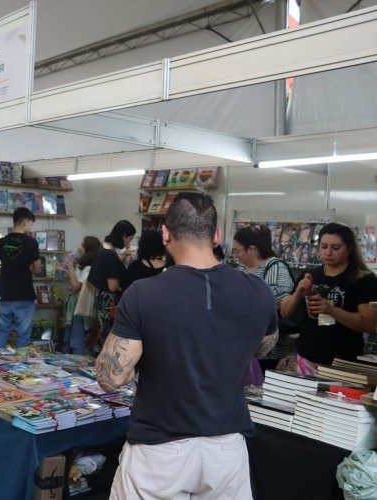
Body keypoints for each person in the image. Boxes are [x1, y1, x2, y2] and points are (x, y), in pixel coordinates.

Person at [96, 193, 279, 499]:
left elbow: (110, 377)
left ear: (165, 234)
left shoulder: (143, 293)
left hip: (159, 451)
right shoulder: (258, 291)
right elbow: (263, 347)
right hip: (226, 451)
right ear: (217, 236)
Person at [280, 222, 377, 370]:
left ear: (349, 248)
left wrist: (332, 311)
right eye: (324, 247)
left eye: (336, 248)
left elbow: (369, 324)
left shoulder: (364, 280)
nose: (328, 253)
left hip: (343, 362)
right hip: (307, 358)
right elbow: (285, 312)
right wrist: (298, 294)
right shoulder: (310, 275)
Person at [233, 224, 295, 369]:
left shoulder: (275, 267)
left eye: (238, 251)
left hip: (267, 348)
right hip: (242, 345)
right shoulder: (240, 269)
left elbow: (281, 302)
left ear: (252, 249)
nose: (235, 255)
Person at [0, 207, 41, 349]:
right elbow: (37, 268)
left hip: (4, 293)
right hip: (24, 294)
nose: (31, 227)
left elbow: (1, 264)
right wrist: (29, 267)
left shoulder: (1, 242)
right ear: (25, 222)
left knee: (1, 332)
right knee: (23, 334)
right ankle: (21, 366)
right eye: (31, 223)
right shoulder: (32, 243)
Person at [87, 223, 127, 341]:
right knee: (108, 334)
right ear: (123, 236)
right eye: (129, 239)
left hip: (102, 298)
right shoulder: (110, 254)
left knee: (102, 331)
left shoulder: (103, 249)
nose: (128, 243)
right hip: (110, 302)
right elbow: (112, 286)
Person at [63, 236, 100, 355]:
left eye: (82, 245)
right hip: (74, 305)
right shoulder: (83, 265)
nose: (80, 247)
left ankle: (77, 365)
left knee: (76, 340)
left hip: (80, 307)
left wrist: (71, 270)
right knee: (68, 338)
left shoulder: (89, 269)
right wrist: (68, 269)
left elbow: (75, 287)